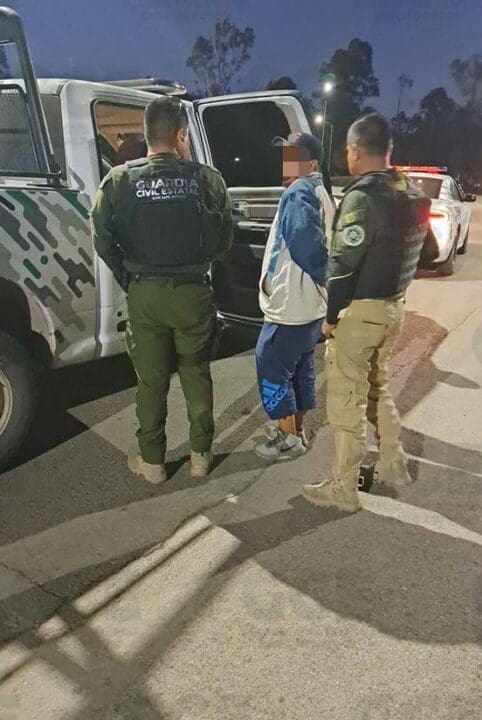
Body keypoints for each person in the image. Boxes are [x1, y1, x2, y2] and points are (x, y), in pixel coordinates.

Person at [91, 97, 233, 484]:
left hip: (145, 294)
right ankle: (200, 456)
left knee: (151, 381)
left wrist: (129, 277)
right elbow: (223, 241)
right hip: (193, 294)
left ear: (146, 133)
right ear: (181, 134)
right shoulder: (208, 180)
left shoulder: (119, 180)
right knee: (196, 373)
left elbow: (101, 238)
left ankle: (153, 462)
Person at [303, 113, 437, 512]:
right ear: (389, 149)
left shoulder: (362, 198)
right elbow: (428, 251)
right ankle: (394, 466)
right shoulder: (410, 192)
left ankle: (343, 489)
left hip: (360, 314)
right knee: (378, 387)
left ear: (355, 151)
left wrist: (330, 318)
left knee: (347, 399)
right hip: (395, 308)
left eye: (348, 151)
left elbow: (342, 268)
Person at [254, 132, 335, 461]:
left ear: (311, 163)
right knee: (301, 368)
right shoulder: (321, 190)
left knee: (270, 363)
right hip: (311, 305)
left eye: (293, 156)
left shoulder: (298, 191)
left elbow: (306, 245)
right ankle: (296, 430)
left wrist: (325, 277)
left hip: (291, 305)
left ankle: (287, 439)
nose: (286, 162)